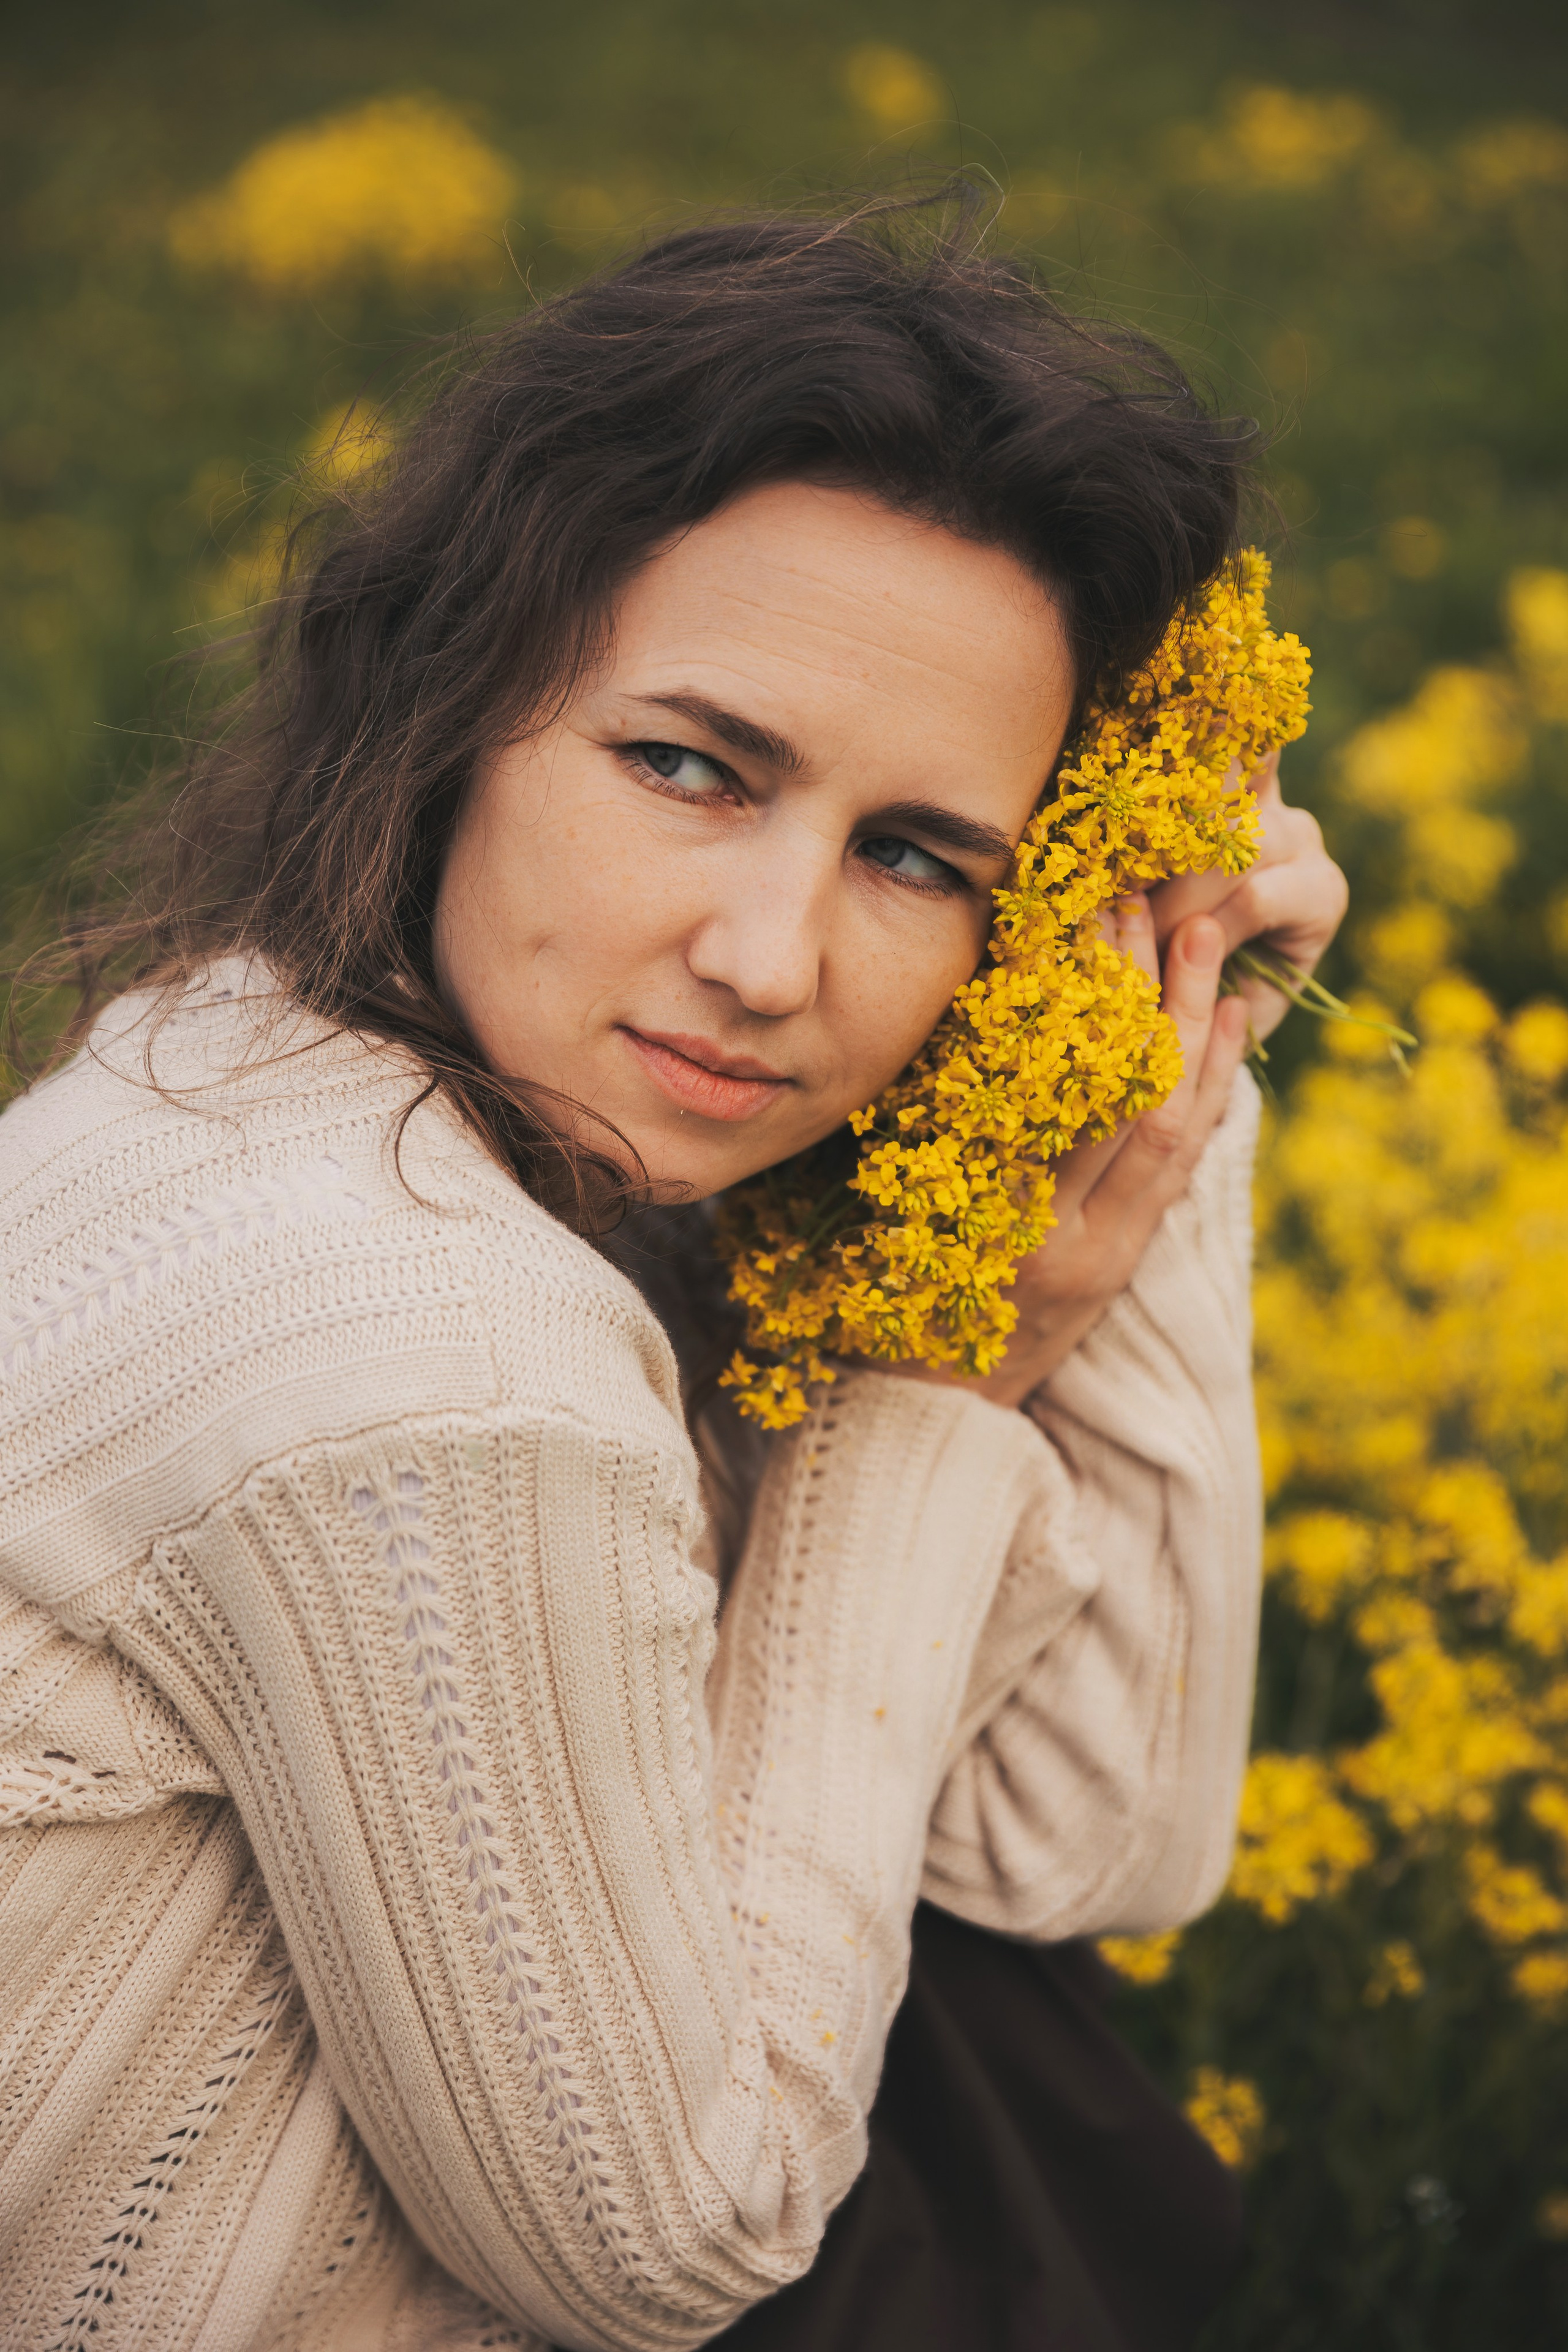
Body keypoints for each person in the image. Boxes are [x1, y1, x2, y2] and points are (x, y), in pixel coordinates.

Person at [0, 206, 1345, 2351]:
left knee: (1004, 2071)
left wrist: (1169, 1046)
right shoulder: (415, 1320)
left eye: (921, 858)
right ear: (451, 707)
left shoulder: (327, 1062)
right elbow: (671, 2247)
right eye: (690, 768)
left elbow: (1073, 1859)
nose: (770, 958)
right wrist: (941, 1395)